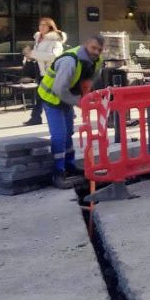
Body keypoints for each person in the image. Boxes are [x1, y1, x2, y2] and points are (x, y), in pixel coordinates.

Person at [37, 35, 104, 189]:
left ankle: (70, 166)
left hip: (67, 97)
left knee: (68, 133)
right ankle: (58, 172)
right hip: (51, 98)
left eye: (99, 50)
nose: (96, 52)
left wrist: (86, 92)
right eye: (93, 48)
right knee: (59, 135)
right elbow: (59, 89)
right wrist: (80, 102)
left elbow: (92, 78)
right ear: (86, 45)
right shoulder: (70, 61)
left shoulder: (96, 60)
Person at [23, 18, 66, 126]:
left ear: (50, 27)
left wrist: (32, 54)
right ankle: (36, 117)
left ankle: (36, 117)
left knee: (44, 95)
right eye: (40, 25)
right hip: (40, 71)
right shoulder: (38, 39)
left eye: (44, 25)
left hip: (52, 72)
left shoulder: (55, 40)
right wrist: (29, 57)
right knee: (42, 95)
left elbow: (54, 56)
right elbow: (38, 55)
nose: (41, 27)